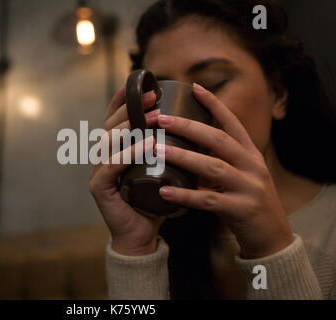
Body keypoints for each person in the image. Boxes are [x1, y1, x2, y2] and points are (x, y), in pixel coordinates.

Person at [88, 0, 336, 299]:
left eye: (212, 84)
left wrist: (272, 250)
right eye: (160, 95)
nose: (178, 116)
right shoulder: (167, 237)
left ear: (278, 95)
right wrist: (136, 250)